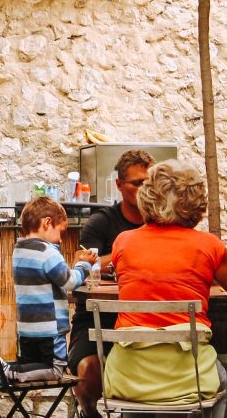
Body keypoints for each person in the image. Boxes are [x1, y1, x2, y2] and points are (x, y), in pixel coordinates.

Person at [104, 160, 227, 416]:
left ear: (146, 198)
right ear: (196, 203)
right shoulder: (208, 245)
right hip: (190, 379)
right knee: (222, 377)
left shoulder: (123, 242)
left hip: (128, 379)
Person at [67, 149, 153, 418]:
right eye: (137, 183)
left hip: (147, 320)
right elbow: (82, 264)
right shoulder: (101, 223)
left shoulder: (162, 223)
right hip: (96, 322)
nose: (143, 189)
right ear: (118, 185)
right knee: (88, 370)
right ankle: (88, 412)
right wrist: (126, 254)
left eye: (148, 183)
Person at [5, 196, 96, 383]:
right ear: (47, 223)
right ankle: (5, 372)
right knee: (55, 370)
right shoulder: (47, 252)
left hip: (26, 329)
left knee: (33, 367)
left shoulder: (19, 250)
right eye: (60, 232)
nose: (61, 240)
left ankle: (5, 370)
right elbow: (69, 282)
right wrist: (84, 266)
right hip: (49, 329)